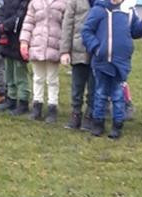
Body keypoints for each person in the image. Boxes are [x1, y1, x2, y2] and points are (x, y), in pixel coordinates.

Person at [82, 0, 142, 138]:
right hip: (102, 60)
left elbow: (134, 32)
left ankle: (117, 124)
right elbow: (86, 31)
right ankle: (98, 122)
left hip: (121, 62)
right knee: (100, 93)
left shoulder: (129, 11)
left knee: (118, 94)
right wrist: (97, 48)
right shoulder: (98, 10)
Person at [20, 0, 66, 122]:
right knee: (38, 78)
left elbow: (66, 26)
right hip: (37, 45)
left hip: (54, 45)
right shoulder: (35, 2)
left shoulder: (64, 3)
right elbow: (28, 23)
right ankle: (37, 105)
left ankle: (52, 107)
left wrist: (64, 48)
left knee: (52, 79)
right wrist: (24, 42)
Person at [60, 0, 95, 129]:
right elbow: (67, 25)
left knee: (94, 87)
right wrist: (64, 51)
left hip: (97, 51)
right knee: (77, 86)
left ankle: (90, 114)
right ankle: (75, 113)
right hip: (78, 50)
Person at [0, 0, 32, 114]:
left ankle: (23, 101)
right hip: (6, 38)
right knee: (9, 70)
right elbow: (0, 9)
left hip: (19, 38)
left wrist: (5, 26)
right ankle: (11, 98)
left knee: (19, 72)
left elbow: (20, 16)